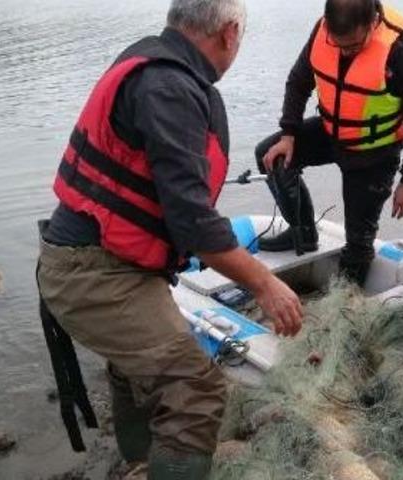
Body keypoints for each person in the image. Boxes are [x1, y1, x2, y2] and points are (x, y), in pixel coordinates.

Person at [35, 1, 303, 478]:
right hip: (92, 271)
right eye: (240, 37)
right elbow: (193, 224)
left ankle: (139, 465)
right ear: (228, 32)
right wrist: (264, 283)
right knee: (196, 390)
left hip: (96, 260)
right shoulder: (170, 86)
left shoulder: (156, 63)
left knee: (138, 369)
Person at [254, 0, 403, 285]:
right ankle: (303, 231)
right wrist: (288, 135)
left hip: (374, 154)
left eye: (353, 46)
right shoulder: (322, 31)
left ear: (373, 23)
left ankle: (343, 307)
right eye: (338, 45)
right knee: (270, 154)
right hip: (330, 132)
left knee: (359, 244)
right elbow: (299, 81)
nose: (345, 52)